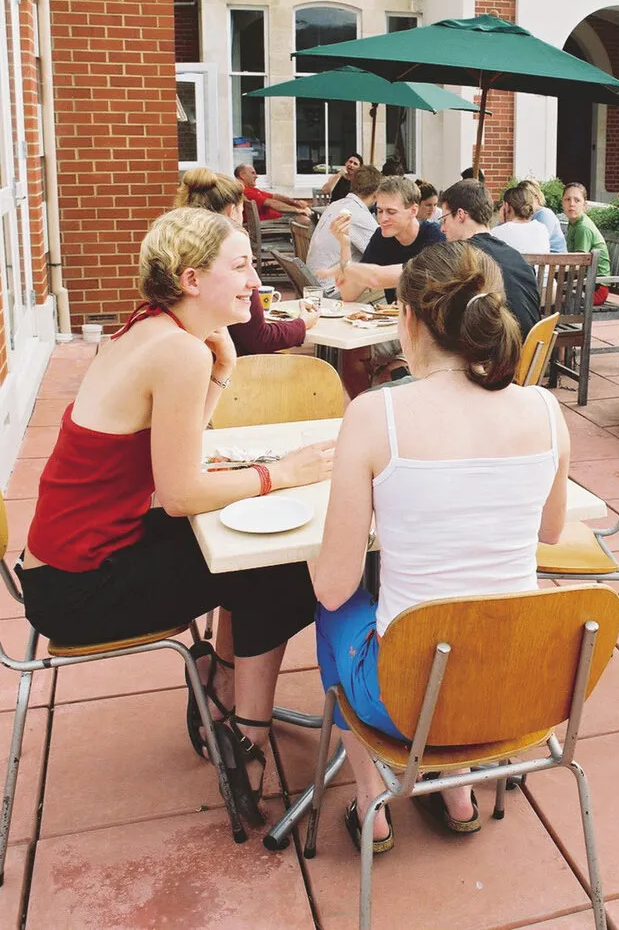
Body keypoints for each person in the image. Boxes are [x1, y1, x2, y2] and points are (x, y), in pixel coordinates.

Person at [16, 208, 334, 825]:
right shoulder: (175, 352)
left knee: (251, 558)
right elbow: (181, 494)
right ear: (192, 279)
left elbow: (173, 464)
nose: (256, 282)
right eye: (241, 266)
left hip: (59, 565)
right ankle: (247, 730)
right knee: (283, 570)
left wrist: (223, 372)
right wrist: (281, 474)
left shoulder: (152, 331)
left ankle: (221, 683)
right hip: (82, 587)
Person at [312, 241, 569, 851]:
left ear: (408, 318)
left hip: (405, 697)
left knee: (332, 611)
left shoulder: (376, 415)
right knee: (458, 621)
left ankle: (372, 796)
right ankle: (456, 787)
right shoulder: (544, 408)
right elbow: (550, 532)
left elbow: (334, 585)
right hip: (520, 685)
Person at [175, 167, 319, 354]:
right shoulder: (227, 253)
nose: (255, 281)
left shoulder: (178, 246)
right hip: (229, 367)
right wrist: (302, 324)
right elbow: (258, 338)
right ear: (230, 211)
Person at [330, 176, 445, 394]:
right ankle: (362, 409)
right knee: (352, 354)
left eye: (390, 212)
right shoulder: (382, 238)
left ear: (412, 210)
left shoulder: (433, 237)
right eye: (379, 210)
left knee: (392, 375)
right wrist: (344, 243)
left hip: (432, 333)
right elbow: (349, 294)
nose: (382, 218)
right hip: (398, 327)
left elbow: (380, 277)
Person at [439, 179, 542, 339]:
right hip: (529, 356)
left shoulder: (462, 254)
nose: (442, 228)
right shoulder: (516, 256)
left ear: (460, 215)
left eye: (444, 219)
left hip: (496, 358)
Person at [310, 163, 380, 280]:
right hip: (333, 287)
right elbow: (384, 255)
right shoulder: (359, 214)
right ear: (376, 193)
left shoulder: (335, 205)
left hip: (314, 280)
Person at [562, 183, 611, 305]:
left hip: (595, 288)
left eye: (577, 200)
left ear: (584, 205)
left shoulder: (583, 227)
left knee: (549, 297)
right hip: (583, 282)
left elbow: (578, 263)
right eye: (567, 199)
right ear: (562, 203)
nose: (571, 204)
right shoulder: (574, 223)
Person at [233, 163, 310, 222]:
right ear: (242, 175)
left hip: (272, 219)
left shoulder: (251, 189)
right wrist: (296, 210)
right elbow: (272, 203)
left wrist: (295, 202)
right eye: (253, 173)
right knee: (301, 218)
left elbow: (274, 196)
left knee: (302, 214)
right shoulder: (246, 191)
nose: (256, 176)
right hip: (267, 224)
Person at [491, 183, 551, 256]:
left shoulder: (496, 233)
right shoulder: (542, 229)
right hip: (536, 268)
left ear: (506, 206)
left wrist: (501, 223)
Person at [523, 179, 567, 254]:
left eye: (526, 198)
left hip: (555, 262)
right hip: (541, 261)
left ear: (536, 198)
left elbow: (536, 244)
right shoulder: (526, 215)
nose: (522, 202)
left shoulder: (544, 214)